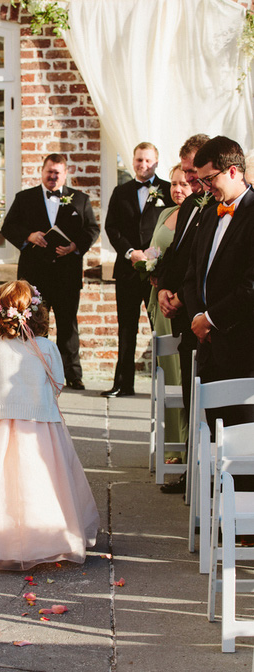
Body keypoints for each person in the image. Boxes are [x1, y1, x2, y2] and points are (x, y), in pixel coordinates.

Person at [0, 280, 99, 570]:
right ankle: (46, 537)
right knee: (41, 483)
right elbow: (57, 382)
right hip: (39, 426)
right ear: (37, 312)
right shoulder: (45, 347)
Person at [1, 153, 99, 390]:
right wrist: (29, 235)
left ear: (65, 174)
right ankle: (33, 371)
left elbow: (92, 230)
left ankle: (72, 375)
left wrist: (75, 246)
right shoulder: (25, 198)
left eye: (57, 172)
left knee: (68, 325)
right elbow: (8, 227)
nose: (53, 176)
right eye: (49, 171)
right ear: (42, 171)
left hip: (67, 274)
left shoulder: (80, 199)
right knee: (33, 324)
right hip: (34, 275)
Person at [184, 136, 254, 433]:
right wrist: (198, 317)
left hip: (241, 345)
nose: (204, 186)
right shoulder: (209, 214)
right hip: (209, 346)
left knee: (242, 442)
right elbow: (192, 274)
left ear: (234, 171)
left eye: (209, 178)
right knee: (213, 437)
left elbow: (251, 285)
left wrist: (211, 320)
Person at [157, 134, 214, 493]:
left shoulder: (219, 205)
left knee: (209, 400)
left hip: (206, 316)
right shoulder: (192, 205)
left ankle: (205, 475)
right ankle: (193, 474)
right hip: (182, 312)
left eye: (195, 174)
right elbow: (179, 256)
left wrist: (186, 299)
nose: (191, 181)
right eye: (188, 174)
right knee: (192, 396)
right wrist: (163, 286)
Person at [102, 142, 172, 397]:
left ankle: (167, 385)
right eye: (139, 160)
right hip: (128, 270)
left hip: (157, 272)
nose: (144, 165)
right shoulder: (121, 192)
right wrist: (131, 253)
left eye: (148, 161)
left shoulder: (168, 189)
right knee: (126, 327)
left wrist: (152, 256)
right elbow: (112, 228)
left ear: (156, 161)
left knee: (161, 328)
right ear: (132, 162)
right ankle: (123, 384)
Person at [146, 164, 191, 463]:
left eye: (183, 185)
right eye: (173, 184)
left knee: (180, 374)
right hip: (158, 301)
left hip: (178, 303)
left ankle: (180, 447)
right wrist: (146, 264)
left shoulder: (195, 217)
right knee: (166, 374)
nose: (177, 189)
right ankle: (170, 443)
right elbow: (153, 252)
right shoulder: (164, 214)